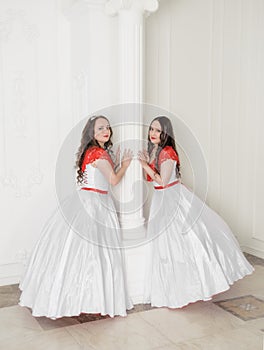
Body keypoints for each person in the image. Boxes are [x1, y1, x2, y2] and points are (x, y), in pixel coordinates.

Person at [19, 115, 134, 319]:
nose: (105, 131)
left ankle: (78, 297)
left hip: (85, 200)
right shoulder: (98, 153)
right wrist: (125, 165)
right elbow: (114, 180)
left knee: (78, 253)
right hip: (96, 204)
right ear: (92, 132)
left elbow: (103, 177)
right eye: (100, 128)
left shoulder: (89, 152)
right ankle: (94, 298)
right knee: (95, 254)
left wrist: (114, 162)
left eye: (107, 127)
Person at [138, 116, 254, 308]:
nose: (153, 133)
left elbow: (163, 181)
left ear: (165, 133)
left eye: (158, 130)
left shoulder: (167, 152)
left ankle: (190, 286)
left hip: (172, 199)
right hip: (161, 199)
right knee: (165, 245)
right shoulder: (156, 151)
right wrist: (147, 161)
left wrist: (143, 165)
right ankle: (169, 288)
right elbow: (149, 179)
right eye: (151, 129)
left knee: (180, 242)